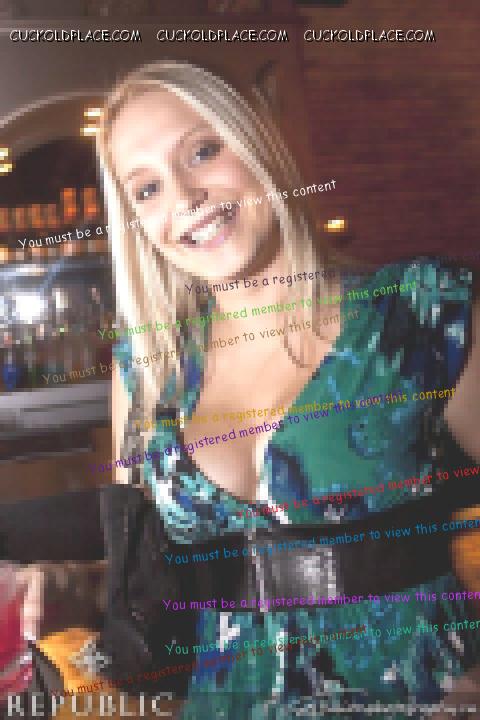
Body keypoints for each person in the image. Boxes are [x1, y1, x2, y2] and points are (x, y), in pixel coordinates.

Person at [2, 60, 480, 719]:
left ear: (258, 143)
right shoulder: (148, 367)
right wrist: (69, 589)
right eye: (147, 189)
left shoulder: (421, 309)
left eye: (203, 151)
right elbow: (156, 581)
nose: (185, 197)